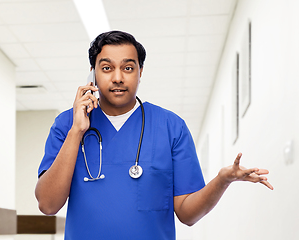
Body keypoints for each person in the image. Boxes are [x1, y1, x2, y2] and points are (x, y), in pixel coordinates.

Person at [35, 30, 273, 239]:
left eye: (128, 68)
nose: (117, 77)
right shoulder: (67, 124)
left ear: (140, 72)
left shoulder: (171, 127)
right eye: (107, 68)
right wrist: (77, 131)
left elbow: (188, 214)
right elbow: (47, 204)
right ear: (93, 74)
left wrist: (223, 180)